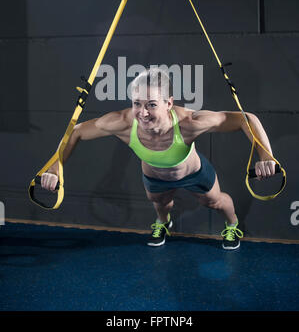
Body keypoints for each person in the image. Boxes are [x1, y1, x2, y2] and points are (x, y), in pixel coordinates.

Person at [41, 68, 276, 250]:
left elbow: (247, 119)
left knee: (214, 202)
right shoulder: (121, 122)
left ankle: (233, 225)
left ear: (169, 103)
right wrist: (55, 167)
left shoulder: (189, 123)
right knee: (161, 204)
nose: (143, 113)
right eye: (137, 104)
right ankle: (164, 223)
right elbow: (77, 131)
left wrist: (265, 154)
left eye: (151, 104)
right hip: (154, 178)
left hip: (193, 174)